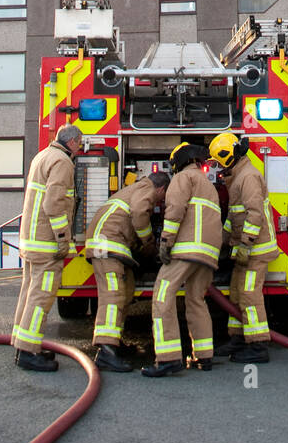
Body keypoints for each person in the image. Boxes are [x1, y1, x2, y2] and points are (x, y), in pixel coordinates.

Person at [142, 143, 222, 378]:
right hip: (208, 254)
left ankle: (168, 358)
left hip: (186, 250)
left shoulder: (182, 178)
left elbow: (175, 210)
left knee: (162, 296)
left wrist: (165, 242)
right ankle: (205, 356)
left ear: (179, 161)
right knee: (196, 299)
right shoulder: (207, 184)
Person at [11, 123, 82, 371]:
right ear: (72, 142)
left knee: (28, 294)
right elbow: (54, 204)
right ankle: (29, 352)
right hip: (46, 244)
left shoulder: (41, 156)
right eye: (80, 144)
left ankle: (22, 345)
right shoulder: (62, 162)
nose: (80, 149)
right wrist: (63, 238)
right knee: (40, 298)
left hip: (31, 242)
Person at [84, 171, 170, 371]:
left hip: (115, 246)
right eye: (163, 197)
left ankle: (115, 340)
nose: (161, 202)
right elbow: (140, 214)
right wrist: (149, 244)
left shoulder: (135, 188)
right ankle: (105, 351)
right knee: (113, 295)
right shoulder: (146, 188)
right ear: (161, 189)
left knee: (126, 292)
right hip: (107, 246)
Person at [208, 131, 278, 364]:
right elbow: (233, 217)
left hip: (255, 251)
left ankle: (258, 346)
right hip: (244, 250)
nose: (218, 167)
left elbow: (254, 213)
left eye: (218, 162)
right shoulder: (238, 177)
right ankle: (238, 339)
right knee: (237, 292)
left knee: (249, 294)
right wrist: (223, 243)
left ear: (228, 157)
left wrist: (246, 244)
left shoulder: (247, 177)